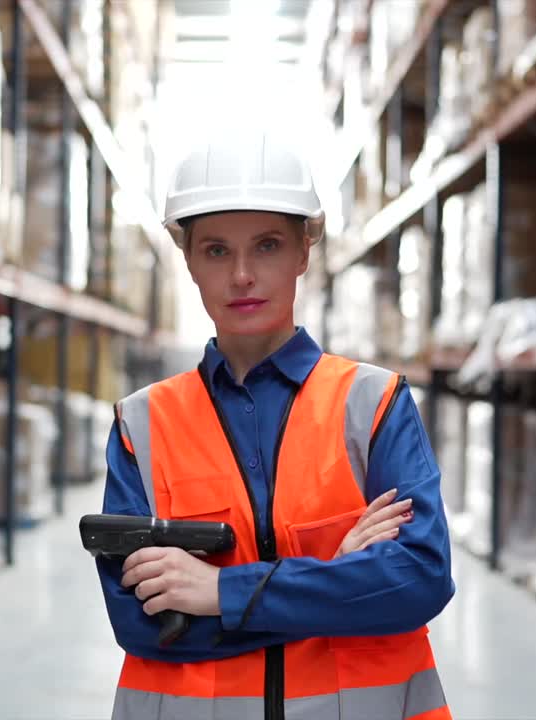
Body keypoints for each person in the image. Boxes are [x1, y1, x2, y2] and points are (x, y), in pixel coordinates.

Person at [95, 126, 455, 720]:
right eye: (216, 250)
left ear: (303, 251)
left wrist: (218, 592)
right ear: (187, 259)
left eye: (266, 246)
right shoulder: (142, 425)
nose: (241, 275)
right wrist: (341, 581)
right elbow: (142, 623)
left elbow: (418, 579)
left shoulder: (373, 402)